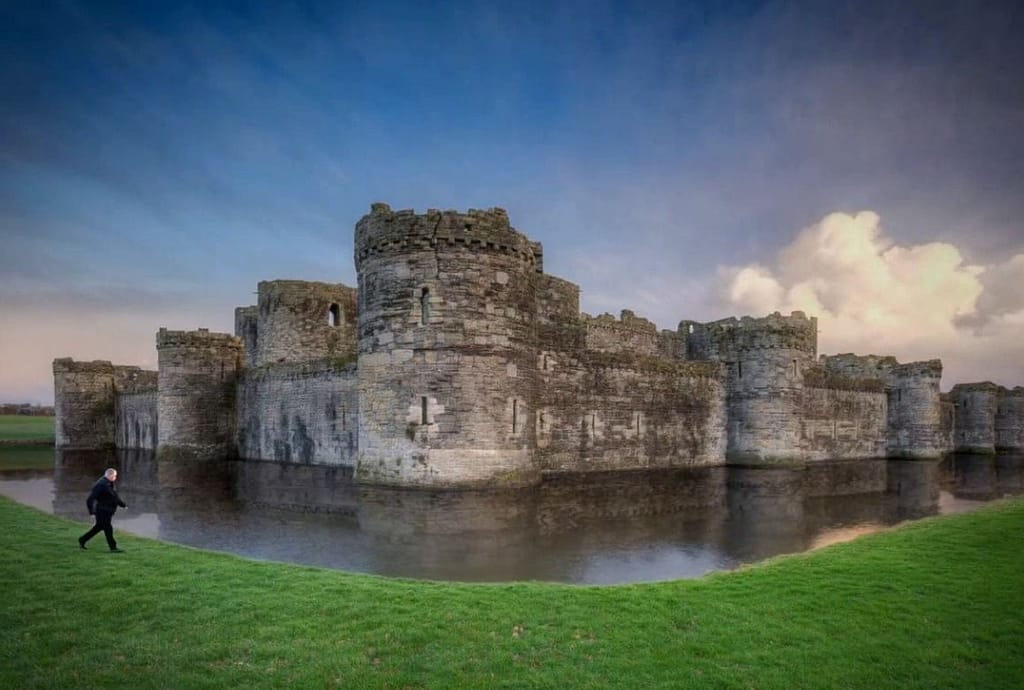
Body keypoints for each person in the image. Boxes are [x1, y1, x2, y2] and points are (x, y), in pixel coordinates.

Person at [78, 468, 127, 553]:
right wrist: (91, 512)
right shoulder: (101, 485)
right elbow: (90, 499)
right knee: (108, 528)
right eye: (115, 476)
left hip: (108, 511)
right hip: (102, 511)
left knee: (98, 527)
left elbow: (114, 497)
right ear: (110, 475)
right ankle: (113, 548)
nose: (115, 477)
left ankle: (82, 539)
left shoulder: (109, 483)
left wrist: (122, 505)